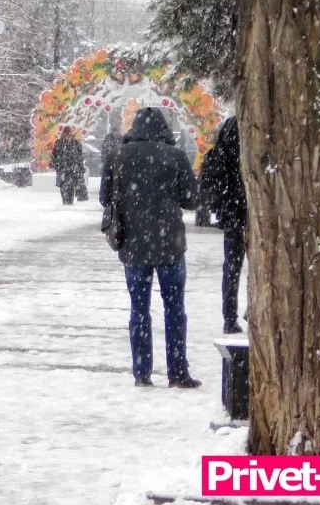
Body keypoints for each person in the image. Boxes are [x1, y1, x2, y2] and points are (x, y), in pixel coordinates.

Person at [100, 107, 201, 388]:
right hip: (170, 244)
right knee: (174, 309)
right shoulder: (175, 156)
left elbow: (104, 197)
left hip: (134, 245)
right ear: (164, 128)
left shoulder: (118, 156)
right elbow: (192, 199)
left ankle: (142, 373)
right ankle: (177, 372)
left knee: (139, 309)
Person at [200, 115, 246, 333]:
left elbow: (207, 183)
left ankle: (229, 317)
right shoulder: (252, 147)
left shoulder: (220, 149)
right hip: (253, 212)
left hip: (232, 215)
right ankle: (250, 311)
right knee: (257, 267)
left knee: (232, 268)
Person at [50, 127, 87, 205]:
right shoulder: (60, 143)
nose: (68, 135)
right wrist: (56, 165)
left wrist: (80, 167)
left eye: (69, 133)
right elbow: (54, 156)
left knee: (70, 188)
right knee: (64, 188)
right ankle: (66, 202)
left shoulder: (75, 143)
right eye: (66, 133)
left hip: (71, 169)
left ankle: (69, 203)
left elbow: (79, 157)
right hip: (64, 170)